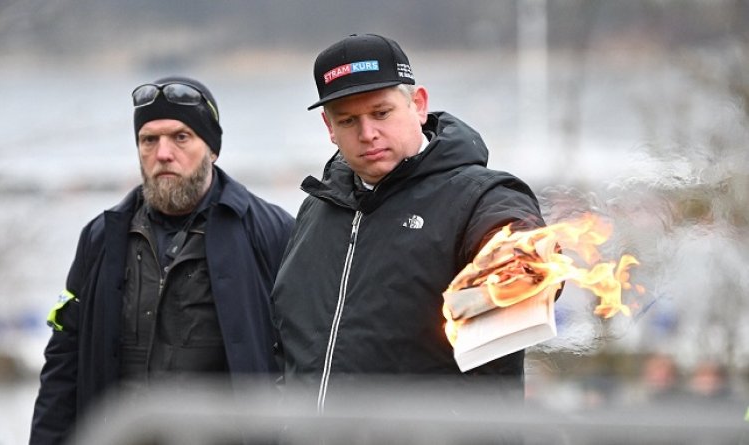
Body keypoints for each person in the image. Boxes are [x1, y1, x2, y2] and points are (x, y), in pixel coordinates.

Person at [270, 34, 548, 413]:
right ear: (329, 127)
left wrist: (519, 258)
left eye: (381, 113)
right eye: (348, 120)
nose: (367, 133)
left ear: (418, 105)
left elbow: (525, 249)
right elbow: (289, 347)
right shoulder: (315, 211)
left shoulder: (481, 197)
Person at [30, 75, 294, 444]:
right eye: (148, 140)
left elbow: (303, 358)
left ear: (212, 148)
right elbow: (64, 361)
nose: (163, 153)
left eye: (181, 137)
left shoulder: (270, 231)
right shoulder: (102, 237)